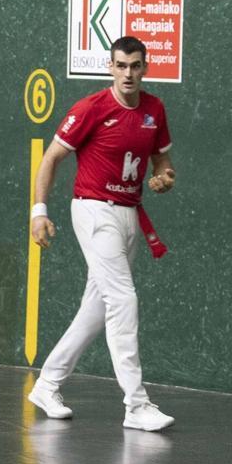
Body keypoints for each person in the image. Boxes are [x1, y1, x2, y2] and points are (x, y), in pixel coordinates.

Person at [27, 36, 177, 432]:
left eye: (136, 66)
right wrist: (39, 212)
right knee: (124, 300)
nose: (129, 73)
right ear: (110, 67)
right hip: (94, 212)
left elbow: (161, 159)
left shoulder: (154, 109)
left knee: (97, 310)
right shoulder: (91, 108)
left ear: (146, 67)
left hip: (130, 215)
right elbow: (52, 158)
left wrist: (164, 177)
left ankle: (47, 383)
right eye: (121, 66)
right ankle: (136, 404)